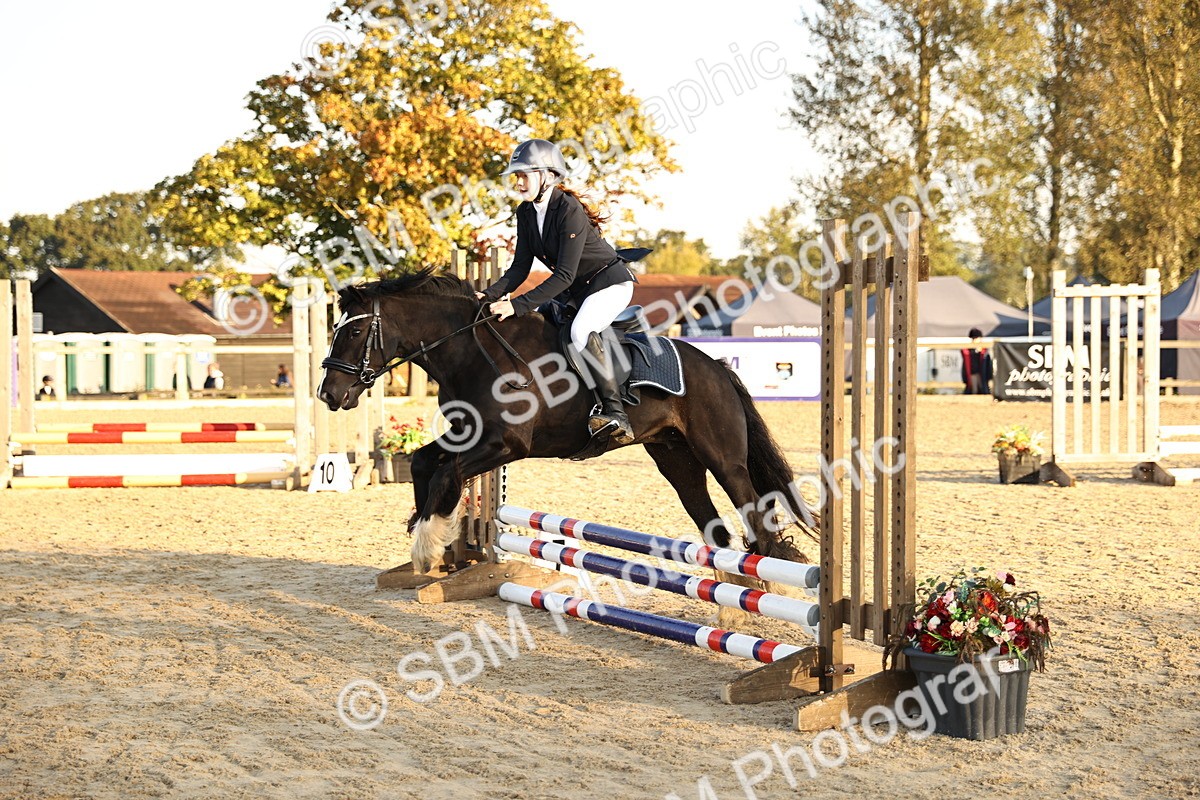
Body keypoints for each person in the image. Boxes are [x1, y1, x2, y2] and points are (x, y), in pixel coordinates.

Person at [477, 138, 637, 443]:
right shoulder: (525, 213)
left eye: (525, 175)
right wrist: (490, 295)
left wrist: (517, 304)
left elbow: (563, 275)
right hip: (578, 291)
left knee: (580, 331)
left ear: (547, 176)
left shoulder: (568, 209)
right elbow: (519, 268)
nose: (519, 181)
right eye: (517, 176)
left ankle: (616, 413)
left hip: (609, 283)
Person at [961, 327, 993, 395]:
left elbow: (988, 364)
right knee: (974, 390)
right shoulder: (968, 350)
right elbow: (965, 365)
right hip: (972, 373)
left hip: (982, 374)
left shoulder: (984, 350)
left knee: (982, 388)